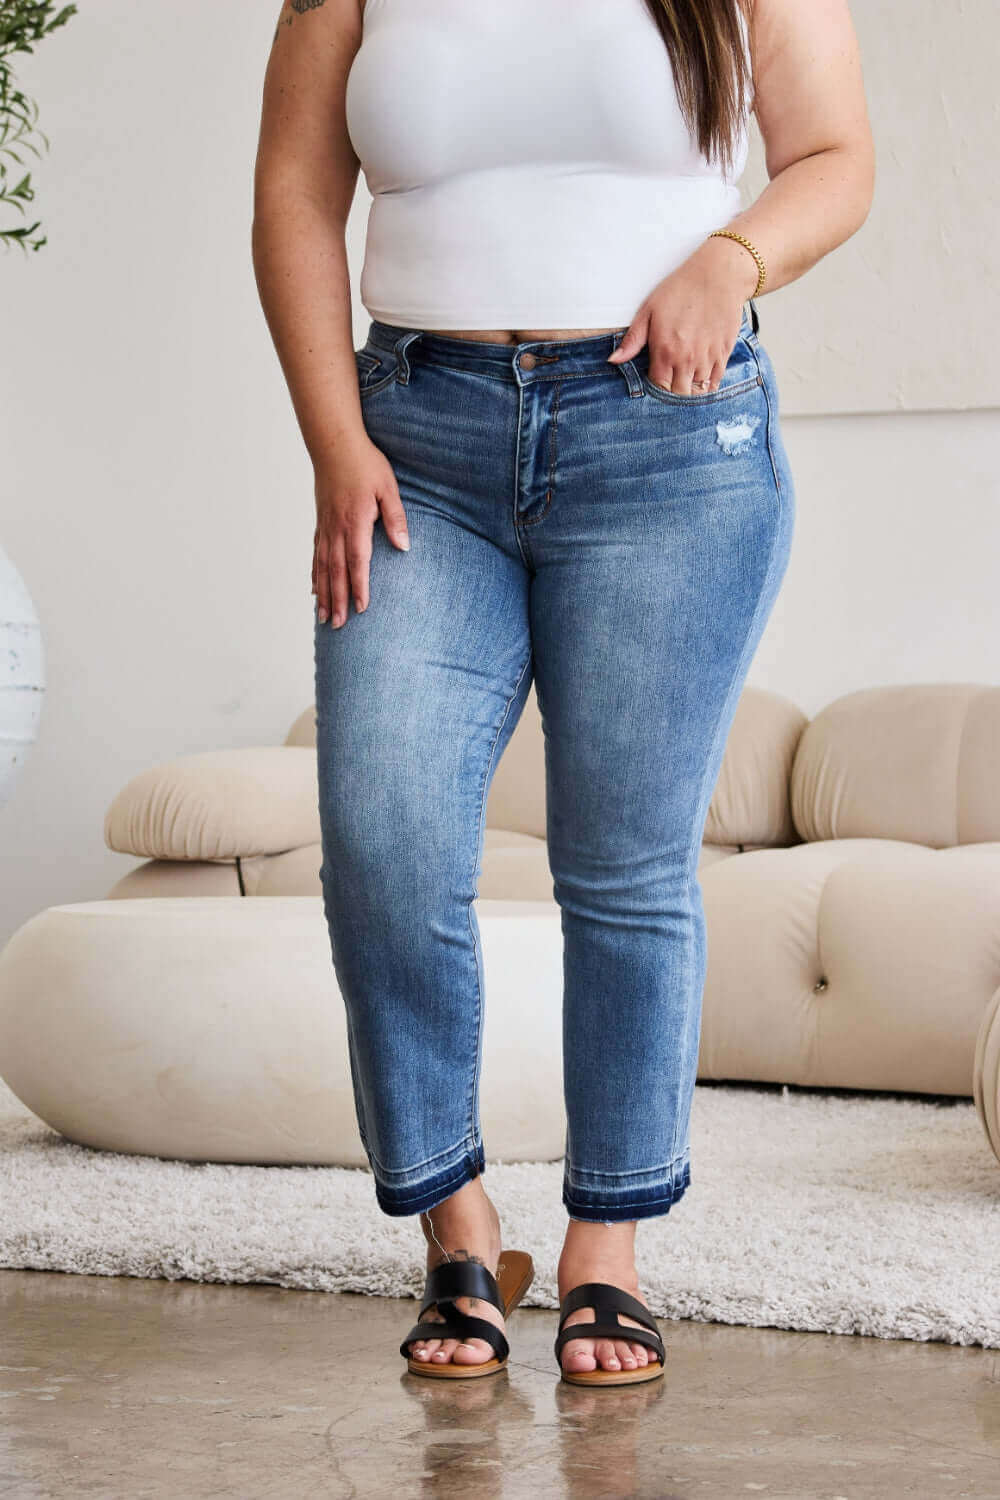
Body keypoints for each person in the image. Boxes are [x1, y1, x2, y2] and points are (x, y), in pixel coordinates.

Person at [252, 0, 874, 1386]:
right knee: (385, 841)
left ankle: (609, 1249)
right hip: (417, 440)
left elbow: (836, 153)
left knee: (625, 862)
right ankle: (457, 1227)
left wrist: (735, 254)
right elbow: (295, 191)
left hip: (664, 439)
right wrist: (333, 442)